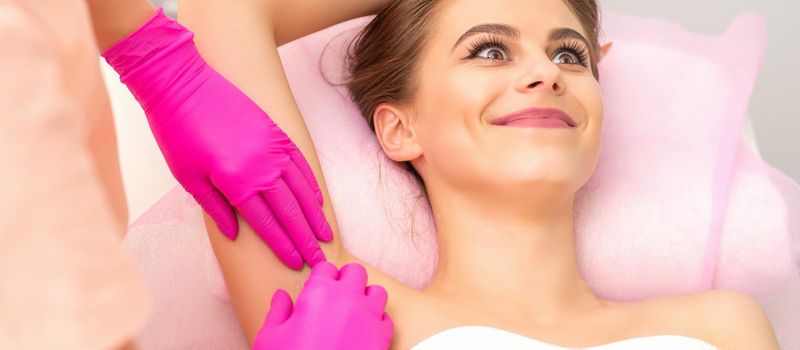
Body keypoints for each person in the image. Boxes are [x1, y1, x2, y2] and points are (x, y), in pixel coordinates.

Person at [180, 0, 781, 349]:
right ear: (399, 129)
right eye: (490, 50)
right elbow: (227, 7)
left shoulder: (725, 326)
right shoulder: (338, 305)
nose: (547, 73)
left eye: (569, 54)